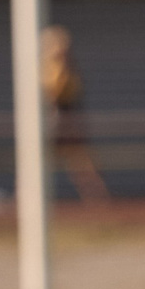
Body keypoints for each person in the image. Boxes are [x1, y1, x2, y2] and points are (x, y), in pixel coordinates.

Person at [41, 26, 108, 203]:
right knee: (37, 161)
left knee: (80, 162)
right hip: (52, 122)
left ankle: (97, 198)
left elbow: (61, 93)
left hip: (65, 121)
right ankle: (25, 197)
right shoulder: (46, 67)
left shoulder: (67, 70)